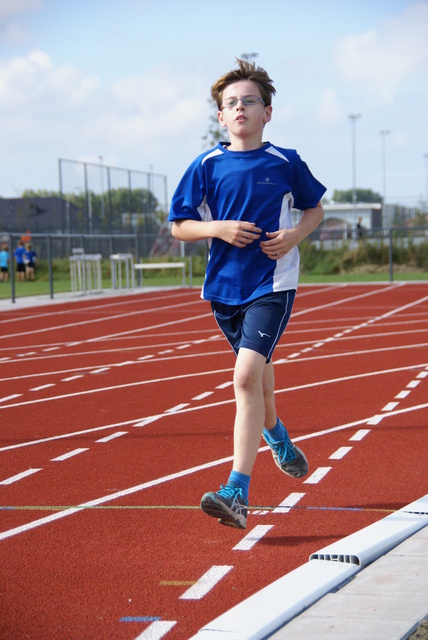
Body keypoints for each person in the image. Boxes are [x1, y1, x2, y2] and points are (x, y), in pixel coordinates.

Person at [168, 58, 326, 529]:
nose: (240, 107)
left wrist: (294, 236)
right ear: (221, 116)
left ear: (267, 112)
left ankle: (237, 491)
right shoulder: (206, 165)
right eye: (231, 102)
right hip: (224, 288)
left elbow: (315, 210)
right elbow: (179, 226)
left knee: (244, 378)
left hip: (271, 284)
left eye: (249, 101)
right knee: (259, 380)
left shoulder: (285, 161)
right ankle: (276, 435)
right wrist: (216, 227)